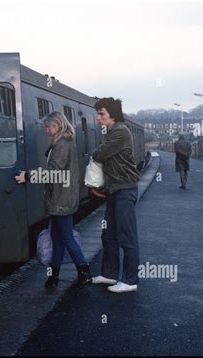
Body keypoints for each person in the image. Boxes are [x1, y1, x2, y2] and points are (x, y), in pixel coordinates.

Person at [15, 111, 91, 289]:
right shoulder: (63, 142)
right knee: (57, 238)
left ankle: (84, 272)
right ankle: (53, 277)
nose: (47, 131)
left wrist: (27, 176)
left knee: (66, 238)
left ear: (57, 125)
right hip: (61, 199)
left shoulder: (62, 144)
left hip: (61, 201)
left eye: (48, 127)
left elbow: (53, 174)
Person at [91, 98, 141, 293]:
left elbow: (100, 154)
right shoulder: (111, 131)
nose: (98, 118)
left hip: (125, 190)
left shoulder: (119, 131)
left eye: (101, 114)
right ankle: (110, 274)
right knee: (109, 234)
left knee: (127, 236)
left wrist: (96, 153)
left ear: (112, 114)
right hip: (114, 189)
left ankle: (130, 280)